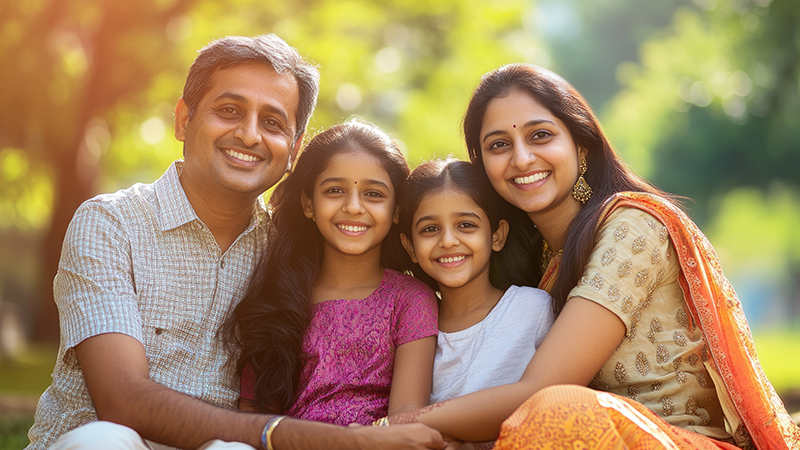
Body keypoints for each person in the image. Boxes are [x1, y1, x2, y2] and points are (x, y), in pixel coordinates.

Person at [26, 35, 444, 450]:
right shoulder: (110, 225)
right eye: (229, 111)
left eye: (273, 122)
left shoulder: (286, 251)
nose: (249, 135)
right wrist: (307, 437)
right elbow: (121, 401)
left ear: (294, 149)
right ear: (184, 119)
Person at [383, 63, 799, 449]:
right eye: (498, 145)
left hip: (674, 441)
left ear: (581, 145)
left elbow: (538, 391)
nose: (522, 158)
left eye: (540, 135)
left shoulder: (631, 226)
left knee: (557, 411)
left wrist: (401, 427)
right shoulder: (541, 260)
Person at [226, 119, 438, 425]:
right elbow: (251, 420)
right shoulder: (276, 296)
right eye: (335, 190)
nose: (353, 207)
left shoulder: (410, 300)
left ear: (395, 211)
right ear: (308, 203)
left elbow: (405, 420)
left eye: (374, 194)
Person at [396, 159, 553, 444]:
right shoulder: (410, 328)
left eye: (466, 225)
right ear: (410, 247)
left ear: (497, 235)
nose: (448, 241)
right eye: (430, 229)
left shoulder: (533, 308)